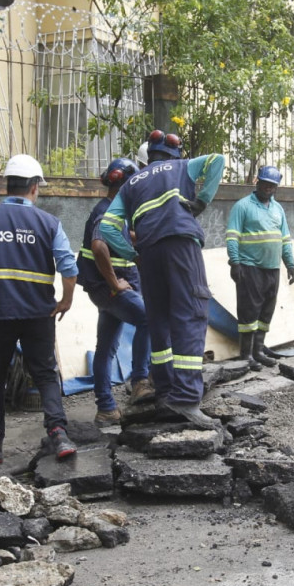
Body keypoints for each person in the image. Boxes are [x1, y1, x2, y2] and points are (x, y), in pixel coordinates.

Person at [0, 154, 79, 464]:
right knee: (47, 374)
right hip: (39, 313)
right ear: (35, 187)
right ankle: (58, 434)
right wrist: (66, 300)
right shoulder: (49, 223)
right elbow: (69, 267)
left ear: (7, 186)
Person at [98, 130, 225, 428]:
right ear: (174, 152)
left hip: (149, 252)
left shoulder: (131, 184)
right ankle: (186, 398)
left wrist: (131, 254)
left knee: (159, 320)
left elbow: (107, 228)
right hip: (180, 244)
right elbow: (217, 160)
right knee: (191, 313)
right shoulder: (183, 167)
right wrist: (202, 201)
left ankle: (166, 393)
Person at [79, 157, 154, 425]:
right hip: (109, 290)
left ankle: (106, 409)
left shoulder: (114, 211)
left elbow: (117, 237)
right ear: (124, 185)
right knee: (149, 318)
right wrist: (114, 283)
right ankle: (140, 381)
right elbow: (99, 247)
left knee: (106, 347)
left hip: (103, 290)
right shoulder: (107, 212)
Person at [225, 165, 294, 371]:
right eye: (265, 183)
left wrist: (290, 263)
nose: (268, 188)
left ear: (276, 187)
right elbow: (232, 236)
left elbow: (285, 239)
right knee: (249, 312)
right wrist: (235, 262)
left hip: (272, 268)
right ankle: (246, 355)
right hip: (250, 267)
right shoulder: (243, 206)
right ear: (258, 182)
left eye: (272, 185)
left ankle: (258, 351)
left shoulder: (277, 209)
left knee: (266, 313)